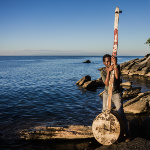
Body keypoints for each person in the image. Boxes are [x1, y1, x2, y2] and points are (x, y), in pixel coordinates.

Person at [100, 54, 130, 142]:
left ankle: (127, 133)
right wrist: (108, 71)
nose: (109, 63)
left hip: (116, 93)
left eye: (110, 61)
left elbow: (117, 77)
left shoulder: (117, 66)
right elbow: (106, 83)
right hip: (106, 93)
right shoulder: (103, 71)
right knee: (105, 112)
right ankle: (105, 131)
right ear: (104, 63)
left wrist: (115, 64)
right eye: (107, 61)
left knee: (120, 112)